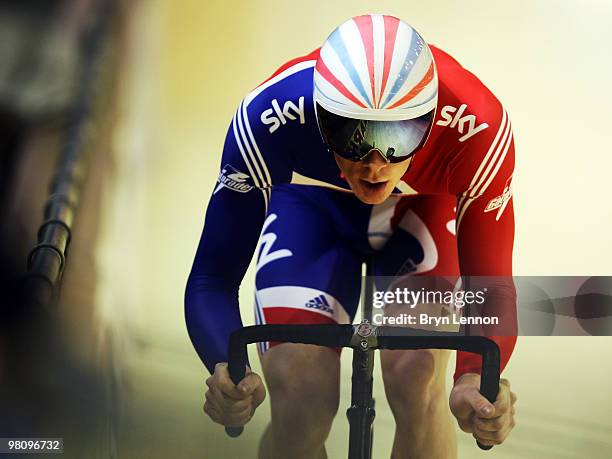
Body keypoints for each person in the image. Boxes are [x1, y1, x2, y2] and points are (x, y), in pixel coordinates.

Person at [185, 14, 517, 459]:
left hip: (418, 210)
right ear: (320, 118)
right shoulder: (267, 116)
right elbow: (213, 277)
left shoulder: (479, 127)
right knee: (299, 395)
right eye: (351, 134)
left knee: (419, 382)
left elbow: (492, 287)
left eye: (399, 134)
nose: (375, 163)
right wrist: (229, 371)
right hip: (312, 208)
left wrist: (474, 378)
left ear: (431, 118)